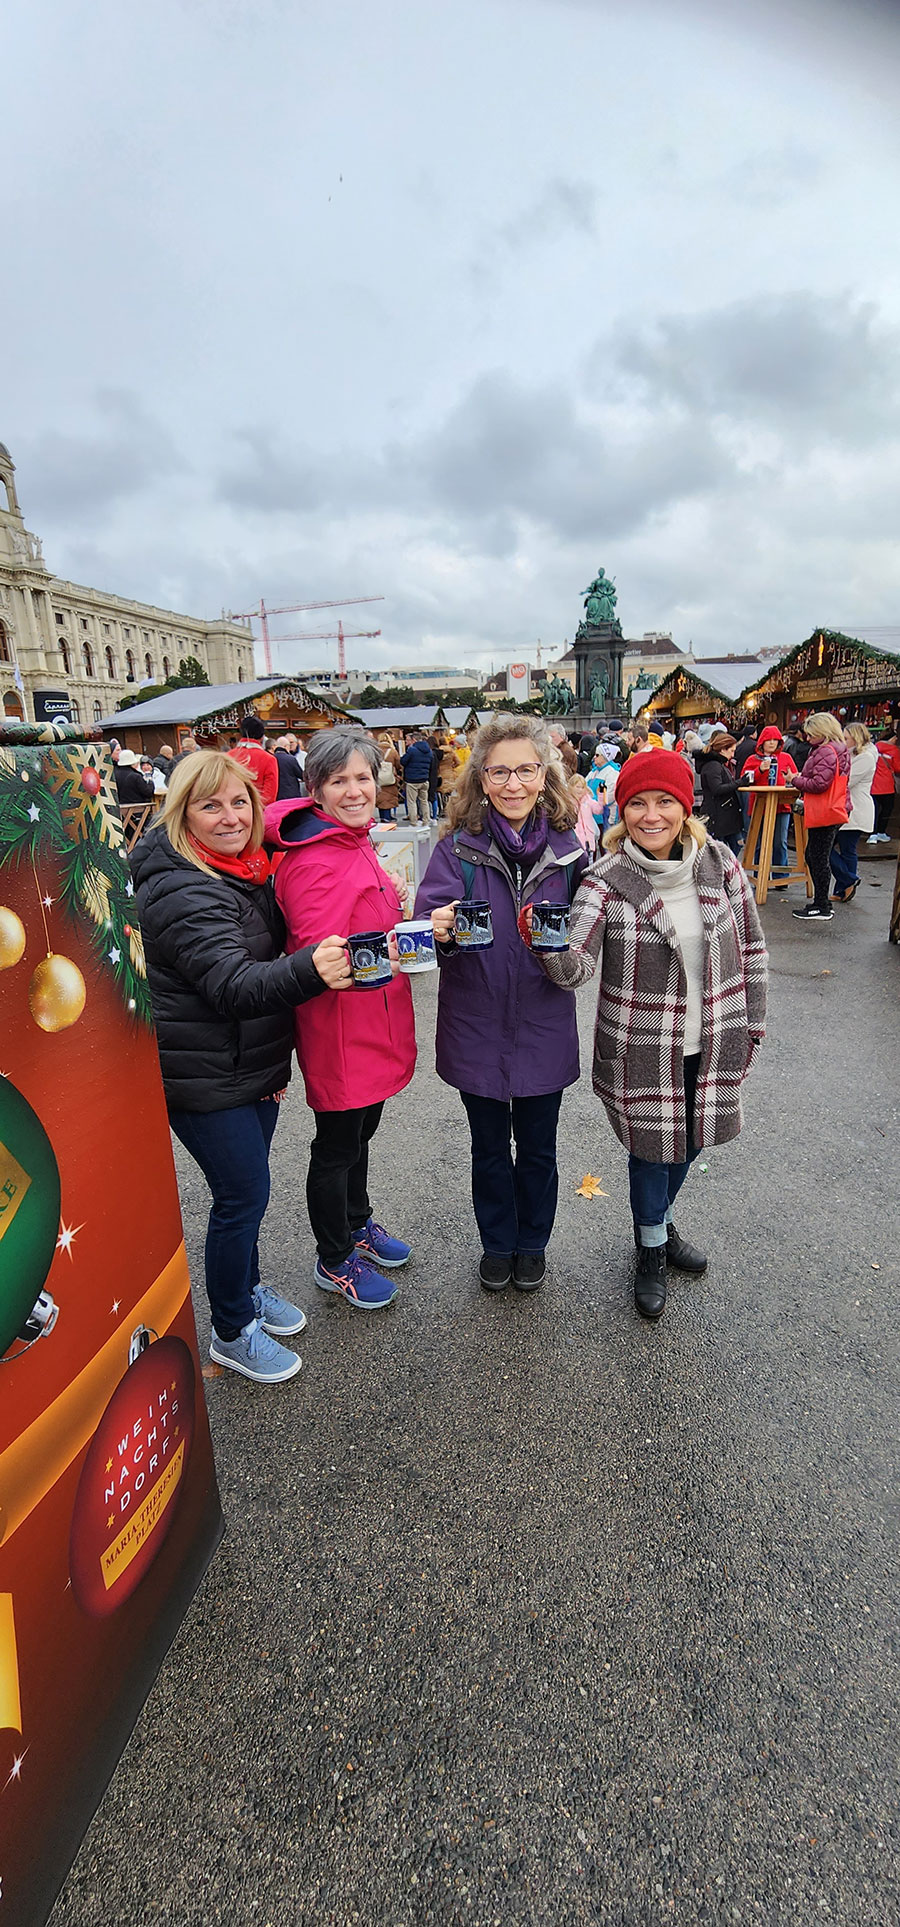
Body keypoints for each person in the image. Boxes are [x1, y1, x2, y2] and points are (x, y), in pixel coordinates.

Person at [131, 751, 351, 1383]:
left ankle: (247, 1290)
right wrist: (311, 968)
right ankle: (231, 1329)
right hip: (205, 1077)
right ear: (182, 814)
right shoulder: (183, 886)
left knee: (248, 1194)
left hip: (244, 1065)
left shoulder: (239, 868)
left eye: (240, 803)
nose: (230, 817)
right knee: (242, 1196)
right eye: (211, 805)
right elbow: (232, 984)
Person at [530, 749, 767, 1321]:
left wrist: (754, 1025)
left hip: (715, 1037)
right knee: (651, 1153)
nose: (651, 815)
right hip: (642, 1045)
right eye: (638, 803)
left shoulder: (721, 864)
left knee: (691, 1142)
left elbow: (753, 948)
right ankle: (651, 1248)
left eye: (665, 802)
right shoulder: (606, 880)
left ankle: (659, 1220)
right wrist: (548, 947)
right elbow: (576, 969)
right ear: (623, 812)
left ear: (685, 808)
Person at [414, 715, 590, 1292]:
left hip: (543, 1020)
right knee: (488, 1147)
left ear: (544, 775)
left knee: (539, 1148)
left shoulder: (570, 851)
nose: (513, 784)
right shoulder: (456, 850)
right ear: (481, 779)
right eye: (499, 772)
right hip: (476, 1022)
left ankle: (532, 1242)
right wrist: (437, 927)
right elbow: (424, 927)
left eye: (525, 770)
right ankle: (497, 1242)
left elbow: (591, 933)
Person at [265, 727, 417, 1310]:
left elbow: (360, 922)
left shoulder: (352, 841)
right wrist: (389, 945)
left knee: (359, 1135)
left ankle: (357, 1222)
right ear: (316, 789)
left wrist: (390, 904)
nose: (355, 790)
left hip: (369, 1019)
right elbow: (318, 956)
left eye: (362, 777)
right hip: (341, 1027)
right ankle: (334, 1258)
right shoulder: (316, 858)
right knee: (336, 1145)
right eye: (338, 781)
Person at [787, 712, 851, 922]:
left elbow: (819, 784)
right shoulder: (838, 748)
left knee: (817, 857)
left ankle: (822, 905)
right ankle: (821, 903)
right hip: (836, 807)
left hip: (826, 810)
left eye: (811, 734)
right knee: (815, 855)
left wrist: (795, 779)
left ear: (823, 731)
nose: (808, 738)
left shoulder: (825, 751)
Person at [739, 726, 798, 886]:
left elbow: (794, 777)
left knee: (780, 842)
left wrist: (792, 779)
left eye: (775, 740)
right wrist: (759, 769)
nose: (772, 743)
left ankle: (781, 878)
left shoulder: (786, 758)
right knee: (760, 843)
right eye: (768, 740)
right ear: (762, 742)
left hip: (782, 805)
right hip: (760, 806)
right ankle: (760, 877)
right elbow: (744, 779)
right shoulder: (753, 759)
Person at [831, 723, 876, 899]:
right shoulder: (851, 755)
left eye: (846, 738)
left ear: (856, 738)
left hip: (856, 809)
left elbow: (847, 781)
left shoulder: (865, 757)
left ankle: (848, 882)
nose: (843, 741)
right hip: (847, 808)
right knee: (840, 849)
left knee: (843, 849)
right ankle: (844, 887)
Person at [698, 734, 744, 853]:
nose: (733, 755)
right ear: (723, 749)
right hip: (719, 814)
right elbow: (717, 788)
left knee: (734, 844)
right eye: (731, 751)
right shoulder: (713, 765)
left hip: (723, 814)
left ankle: (726, 864)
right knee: (724, 847)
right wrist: (740, 782)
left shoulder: (717, 764)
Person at [232, 714, 279, 806]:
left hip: (233, 809)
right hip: (259, 810)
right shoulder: (269, 759)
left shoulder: (227, 756)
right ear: (262, 737)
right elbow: (269, 796)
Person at [868, 731, 898, 843]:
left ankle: (873, 834)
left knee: (874, 810)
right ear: (892, 738)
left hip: (873, 785)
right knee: (887, 809)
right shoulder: (894, 750)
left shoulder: (874, 748)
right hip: (887, 786)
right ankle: (881, 832)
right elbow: (898, 767)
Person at [401, 732, 433, 825]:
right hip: (424, 779)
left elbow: (403, 761)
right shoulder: (429, 750)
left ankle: (413, 822)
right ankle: (426, 820)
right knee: (424, 801)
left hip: (412, 780)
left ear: (414, 740)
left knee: (412, 802)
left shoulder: (412, 750)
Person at [374, 732, 402, 822]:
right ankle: (387, 816)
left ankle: (383, 816)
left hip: (378, 776)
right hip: (390, 777)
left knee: (380, 796)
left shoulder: (375, 751)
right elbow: (398, 764)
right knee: (389, 796)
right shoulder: (392, 751)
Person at [273, 735, 306, 800]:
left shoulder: (271, 758)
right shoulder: (291, 759)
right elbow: (301, 775)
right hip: (291, 794)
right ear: (285, 746)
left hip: (276, 794)